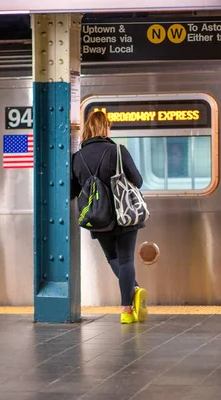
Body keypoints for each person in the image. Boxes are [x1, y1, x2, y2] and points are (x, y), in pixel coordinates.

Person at [71, 111, 148, 324]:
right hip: (124, 214)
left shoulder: (77, 157)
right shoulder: (117, 151)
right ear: (106, 128)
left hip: (98, 216)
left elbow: (73, 190)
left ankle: (135, 290)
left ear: (88, 129)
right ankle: (126, 310)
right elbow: (138, 181)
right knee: (126, 259)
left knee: (113, 258)